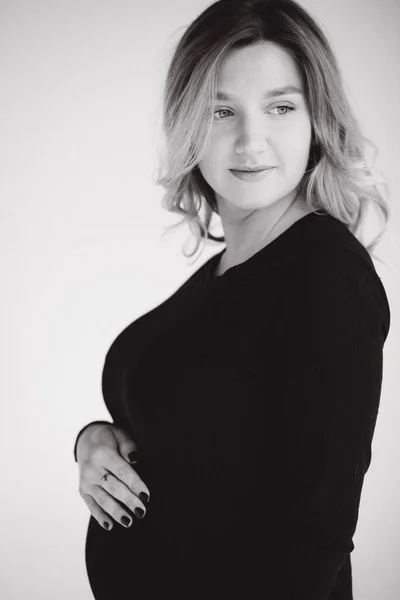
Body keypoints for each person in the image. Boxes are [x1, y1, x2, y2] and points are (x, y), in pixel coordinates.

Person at [74, 1, 391, 598]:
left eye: (280, 107)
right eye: (222, 111)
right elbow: (195, 435)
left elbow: (314, 537)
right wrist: (95, 440)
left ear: (316, 118)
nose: (251, 141)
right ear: (188, 123)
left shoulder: (326, 275)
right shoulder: (230, 266)